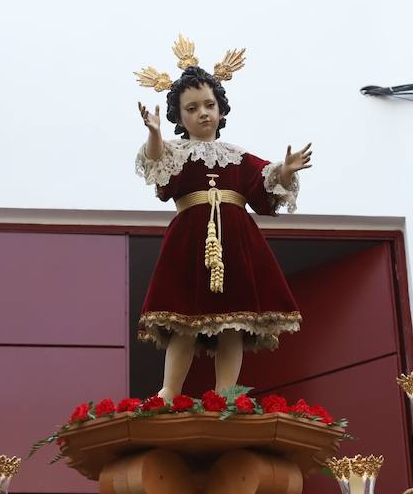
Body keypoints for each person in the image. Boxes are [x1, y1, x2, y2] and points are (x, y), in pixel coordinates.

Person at [133, 37, 313, 399]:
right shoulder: (176, 153)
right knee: (184, 322)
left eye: (209, 105)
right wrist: (154, 134)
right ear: (179, 117)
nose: (203, 113)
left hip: (234, 242)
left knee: (233, 322)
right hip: (190, 241)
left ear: (221, 109)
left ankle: (227, 393)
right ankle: (169, 390)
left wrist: (285, 171)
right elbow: (157, 165)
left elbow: (265, 185)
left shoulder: (237, 156)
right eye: (192, 108)